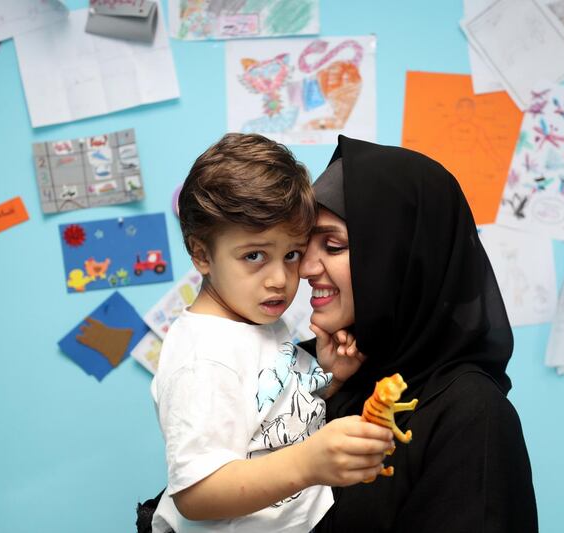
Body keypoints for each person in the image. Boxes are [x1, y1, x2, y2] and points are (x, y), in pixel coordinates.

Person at [149, 133, 394, 533]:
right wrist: (308, 464)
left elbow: (269, 418)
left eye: (291, 254)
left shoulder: (254, 320)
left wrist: (326, 380)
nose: (280, 279)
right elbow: (195, 494)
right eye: (254, 256)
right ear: (201, 254)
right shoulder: (203, 359)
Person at [300, 135, 539, 532]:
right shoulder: (312, 373)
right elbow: (204, 492)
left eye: (333, 245)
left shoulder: (470, 414)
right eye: (301, 244)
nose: (306, 267)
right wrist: (323, 389)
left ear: (401, 258)